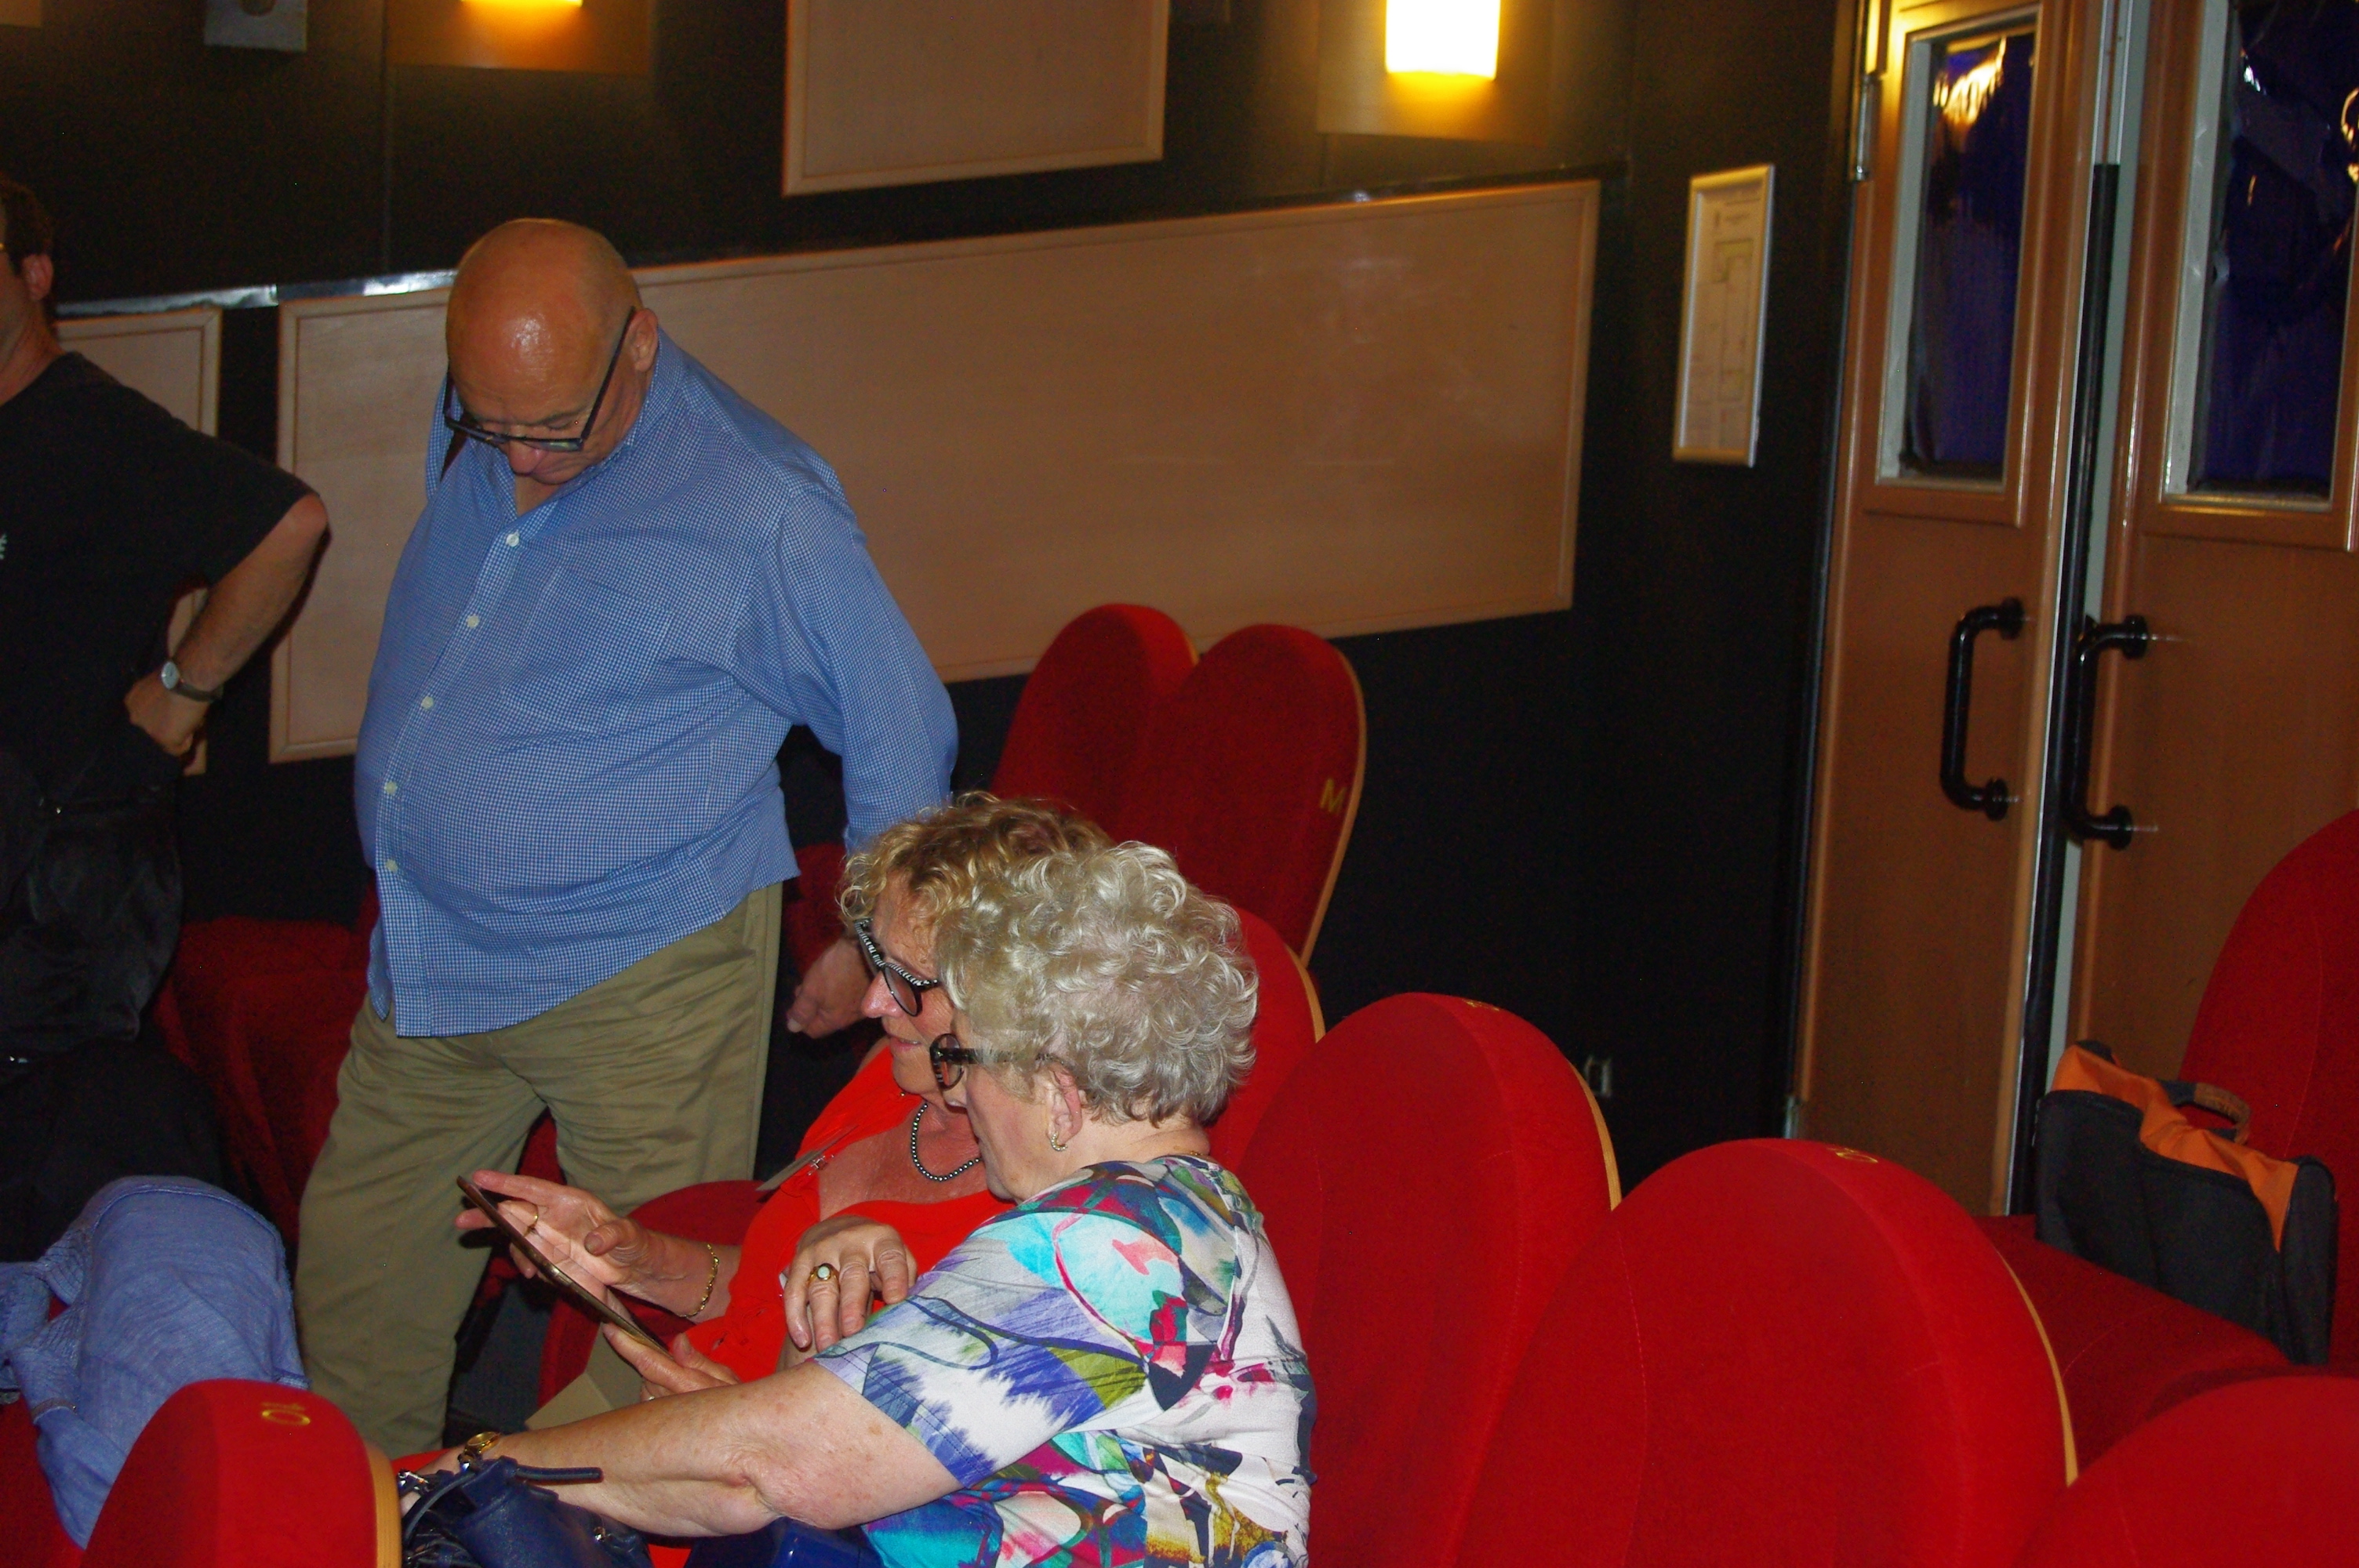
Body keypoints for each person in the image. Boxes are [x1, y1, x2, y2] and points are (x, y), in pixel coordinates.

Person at [296, 218, 957, 1454]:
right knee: (355, 1280)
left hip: (644, 974)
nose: (521, 457)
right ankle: (372, 1525)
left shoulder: (763, 507)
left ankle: (551, 1526)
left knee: (642, 1329)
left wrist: (869, 943)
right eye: (489, 422)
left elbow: (901, 726)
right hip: (439, 954)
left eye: (555, 426)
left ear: (639, 346)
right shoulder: (507, 411)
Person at [425, 834, 1313, 1568]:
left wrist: (459, 1469)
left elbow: (762, 1467)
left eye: (966, 1059)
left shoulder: (1106, 1249)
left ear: (1063, 1094)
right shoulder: (1182, 1215)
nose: (959, 1093)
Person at [466, 797, 1105, 1419]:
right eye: (878, 962)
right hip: (686, 1421)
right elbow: (768, 1291)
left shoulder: (1047, 1193)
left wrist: (731, 1419)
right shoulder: (888, 1076)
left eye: (910, 981)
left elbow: (926, 1456)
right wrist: (637, 1261)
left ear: (1016, 995)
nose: (873, 1003)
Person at [0, 171, 329, 1260]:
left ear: (34, 276)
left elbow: (288, 524)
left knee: (44, 1173)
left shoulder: (88, 424)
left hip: (63, 888)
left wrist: (181, 698)